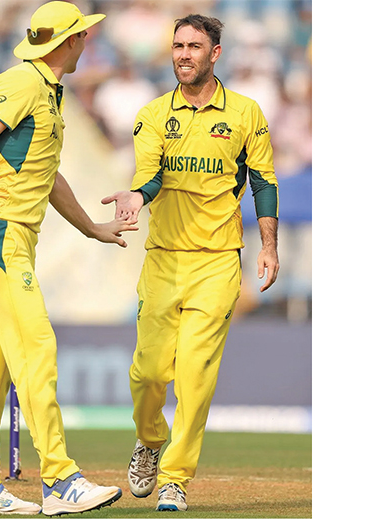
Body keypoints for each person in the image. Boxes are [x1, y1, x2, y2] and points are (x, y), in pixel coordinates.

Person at [0, 1, 134, 516]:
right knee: (37, 349)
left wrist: (93, 228)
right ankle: (61, 481)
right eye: (82, 36)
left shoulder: (48, 92)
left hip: (9, 236)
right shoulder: (23, 82)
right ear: (68, 42)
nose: (88, 42)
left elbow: (50, 178)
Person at [101, 14, 280, 512]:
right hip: (163, 259)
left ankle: (175, 478)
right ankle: (150, 440)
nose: (183, 54)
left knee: (196, 372)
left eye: (194, 46)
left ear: (215, 53)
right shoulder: (154, 114)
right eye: (177, 45)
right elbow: (151, 175)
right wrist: (137, 196)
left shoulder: (245, 113)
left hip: (219, 261)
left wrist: (268, 246)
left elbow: (264, 184)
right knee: (148, 372)